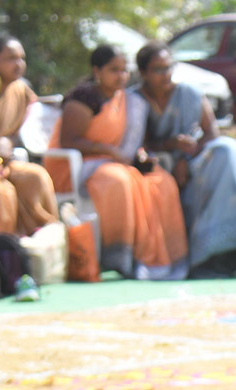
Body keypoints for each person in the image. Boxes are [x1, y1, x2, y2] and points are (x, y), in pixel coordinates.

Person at [45, 44, 187, 280]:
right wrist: (108, 151)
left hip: (115, 162)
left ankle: (167, 259)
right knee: (119, 180)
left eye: (124, 70)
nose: (121, 76)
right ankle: (121, 258)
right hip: (81, 166)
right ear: (97, 70)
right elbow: (69, 140)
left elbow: (129, 144)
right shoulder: (84, 97)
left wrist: (139, 156)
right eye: (114, 70)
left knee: (162, 181)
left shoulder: (129, 101)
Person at [135, 42, 236, 279]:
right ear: (143, 73)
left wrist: (185, 156)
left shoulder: (188, 94)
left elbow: (211, 133)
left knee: (226, 149)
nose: (166, 74)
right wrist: (170, 147)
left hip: (192, 163)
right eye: (158, 70)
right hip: (156, 169)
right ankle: (201, 257)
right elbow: (135, 144)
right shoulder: (135, 100)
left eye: (169, 67)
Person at [0, 33, 59, 240]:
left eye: (22, 58)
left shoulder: (20, 89)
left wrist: (6, 143)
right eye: (11, 58)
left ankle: (37, 243)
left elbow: (16, 127)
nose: (19, 64)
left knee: (36, 177)